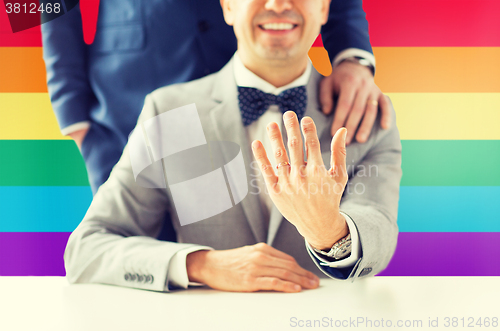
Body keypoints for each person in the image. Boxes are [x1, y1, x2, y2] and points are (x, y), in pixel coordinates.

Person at [64, 0, 402, 293]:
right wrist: (201, 265)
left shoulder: (365, 115)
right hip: (125, 87)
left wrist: (329, 231)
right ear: (226, 5)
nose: (278, 4)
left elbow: (379, 231)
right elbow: (87, 248)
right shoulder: (169, 114)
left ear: (326, 6)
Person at [42, 0, 390, 194]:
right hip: (126, 104)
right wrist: (71, 111)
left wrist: (351, 56)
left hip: (251, 85)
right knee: (135, 264)